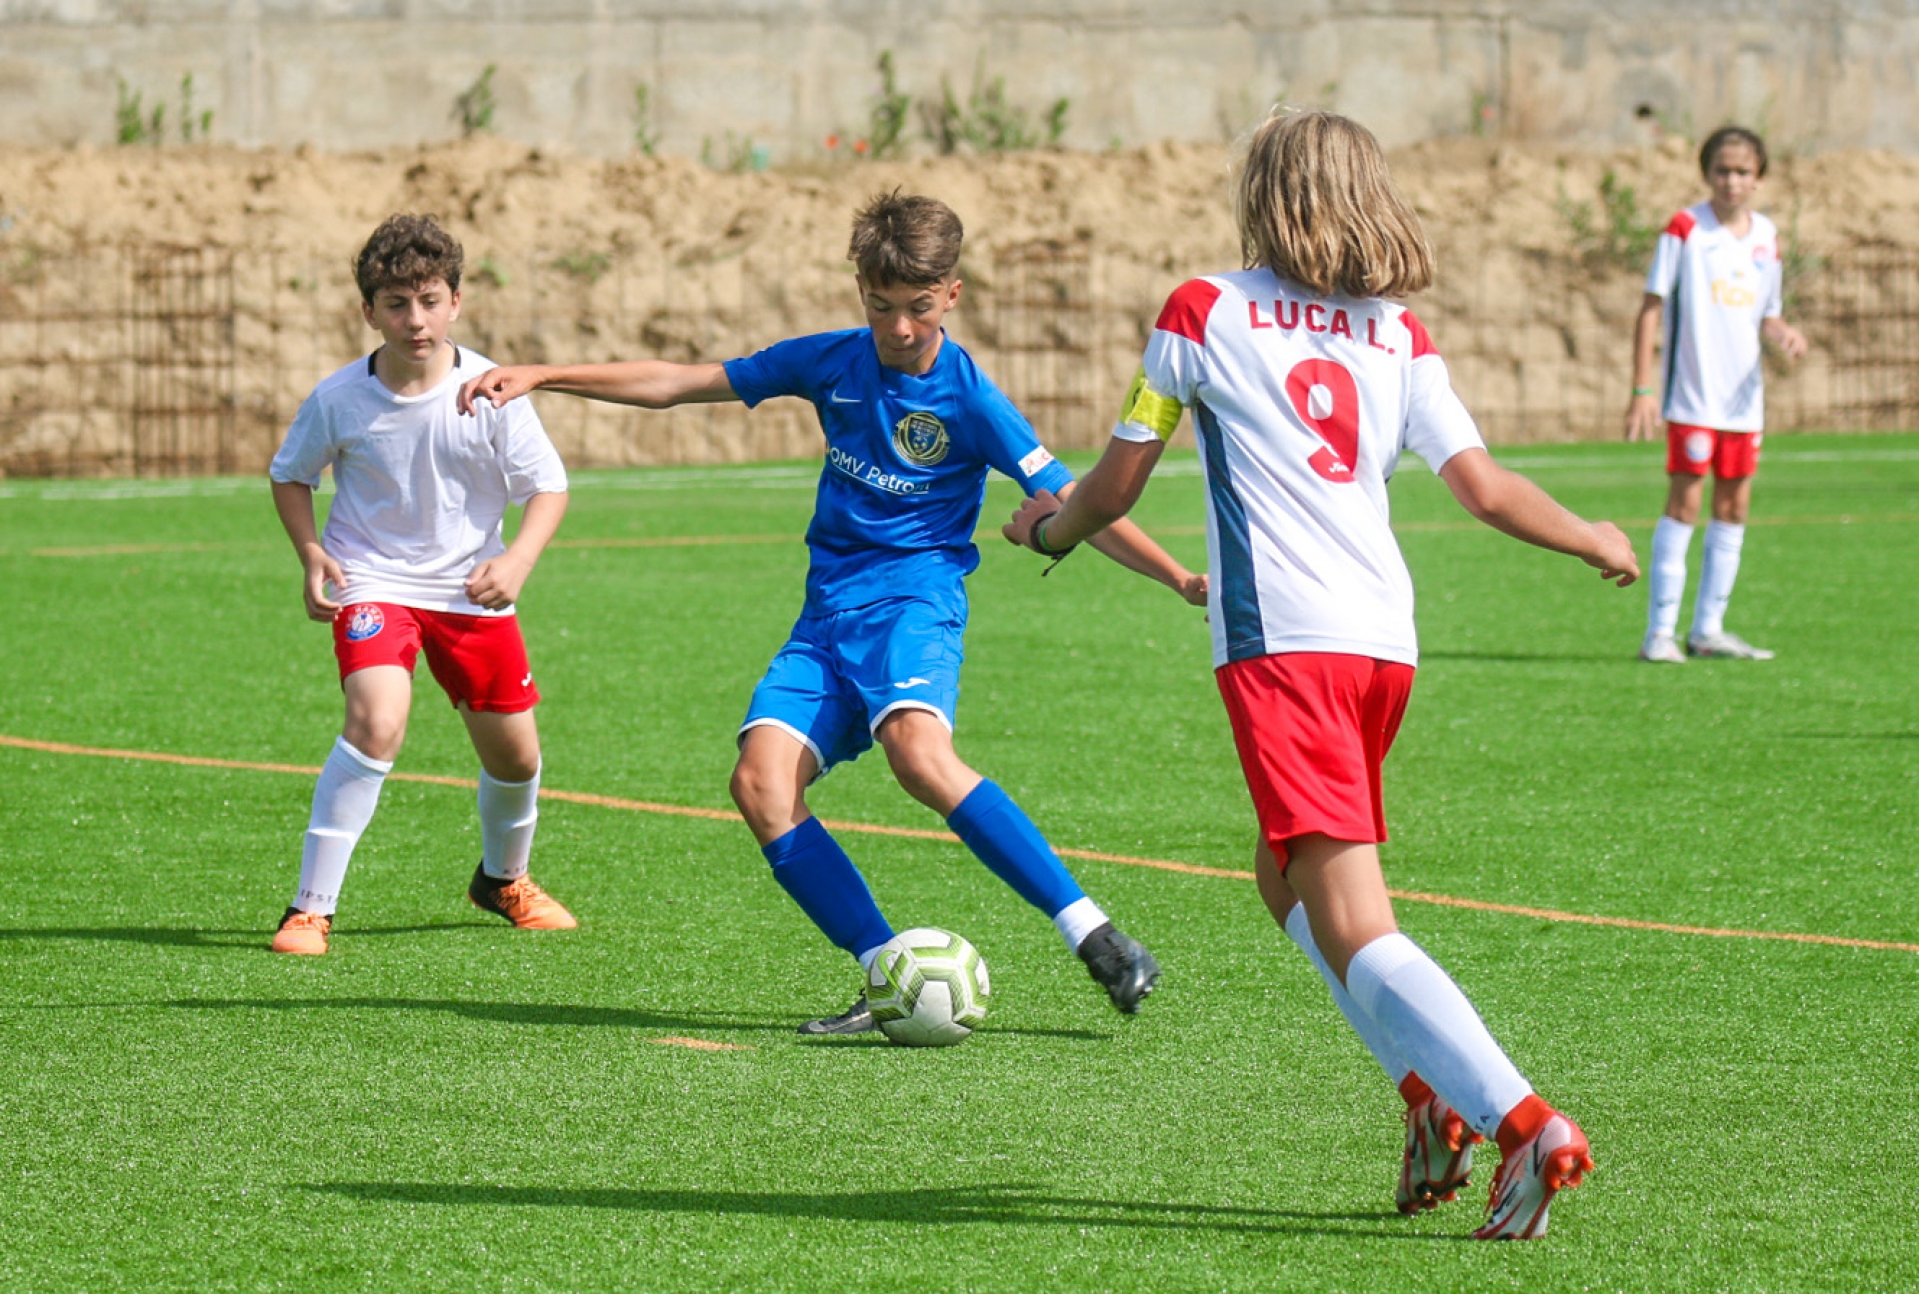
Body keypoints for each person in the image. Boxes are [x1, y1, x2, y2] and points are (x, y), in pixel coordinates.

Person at [1003, 110, 1639, 1239]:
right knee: (1282, 877)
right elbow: (1484, 488)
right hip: (1381, 645)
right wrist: (1589, 532)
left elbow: (1116, 483)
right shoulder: (1397, 333)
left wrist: (1048, 531)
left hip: (1284, 644)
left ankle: (1524, 1123)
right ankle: (1424, 1098)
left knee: (1351, 918)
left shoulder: (1201, 308)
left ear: (1263, 195)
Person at [460, 191, 1206, 1034]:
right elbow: (680, 381)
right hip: (825, 619)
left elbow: (1078, 502)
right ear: (860, 291)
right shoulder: (831, 362)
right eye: (880, 306)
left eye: (918, 307)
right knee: (759, 783)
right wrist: (543, 376)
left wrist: (1178, 578)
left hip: (912, 603)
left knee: (917, 754)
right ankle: (887, 972)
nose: (898, 328)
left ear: (951, 295)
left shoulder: (971, 400)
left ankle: (1096, 937)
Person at [267, 213, 577, 956]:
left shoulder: (492, 391)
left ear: (456, 303)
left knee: (516, 758)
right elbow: (290, 475)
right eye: (397, 304)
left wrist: (517, 561)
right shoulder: (339, 398)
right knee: (377, 721)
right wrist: (311, 554)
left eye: (431, 301)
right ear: (368, 311)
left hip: (470, 591)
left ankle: (503, 879)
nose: (416, 320)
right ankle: (309, 909)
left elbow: (548, 487)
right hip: (372, 580)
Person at [1626, 125, 1810, 663]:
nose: (1732, 180)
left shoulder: (1767, 237)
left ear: (1759, 178)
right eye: (1722, 170)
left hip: (1742, 403)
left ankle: (1708, 630)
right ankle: (1660, 633)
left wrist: (1783, 332)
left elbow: (1767, 313)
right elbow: (1651, 307)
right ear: (1707, 174)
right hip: (1692, 398)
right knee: (1684, 503)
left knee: (1733, 506)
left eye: (1743, 171)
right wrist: (1642, 388)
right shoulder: (1685, 229)